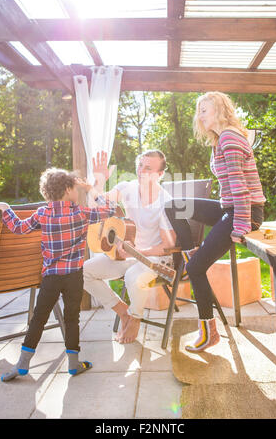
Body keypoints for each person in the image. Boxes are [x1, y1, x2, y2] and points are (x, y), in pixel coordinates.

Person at [0, 166, 116, 381]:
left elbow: (19, 228)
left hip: (50, 277)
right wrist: (91, 189)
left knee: (38, 318)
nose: (78, 193)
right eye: (76, 189)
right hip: (74, 276)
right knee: (72, 318)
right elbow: (111, 209)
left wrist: (6, 209)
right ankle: (74, 364)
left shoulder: (42, 213)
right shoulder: (80, 212)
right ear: (68, 189)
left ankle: (22, 364)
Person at [165, 91, 266, 352]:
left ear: (220, 110)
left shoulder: (230, 138)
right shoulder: (220, 139)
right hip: (229, 208)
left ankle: (209, 332)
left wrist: (241, 227)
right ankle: (190, 252)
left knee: (197, 269)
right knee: (174, 206)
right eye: (199, 111)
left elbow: (241, 188)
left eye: (204, 110)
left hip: (245, 213)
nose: (200, 115)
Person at [83, 150, 176, 344]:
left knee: (133, 277)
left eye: (148, 168)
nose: (141, 171)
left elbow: (168, 246)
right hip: (127, 255)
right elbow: (96, 207)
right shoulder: (127, 187)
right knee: (83, 272)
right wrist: (99, 180)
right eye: (140, 165)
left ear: (160, 174)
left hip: (154, 258)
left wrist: (139, 251)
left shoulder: (166, 202)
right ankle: (124, 312)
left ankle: (135, 317)